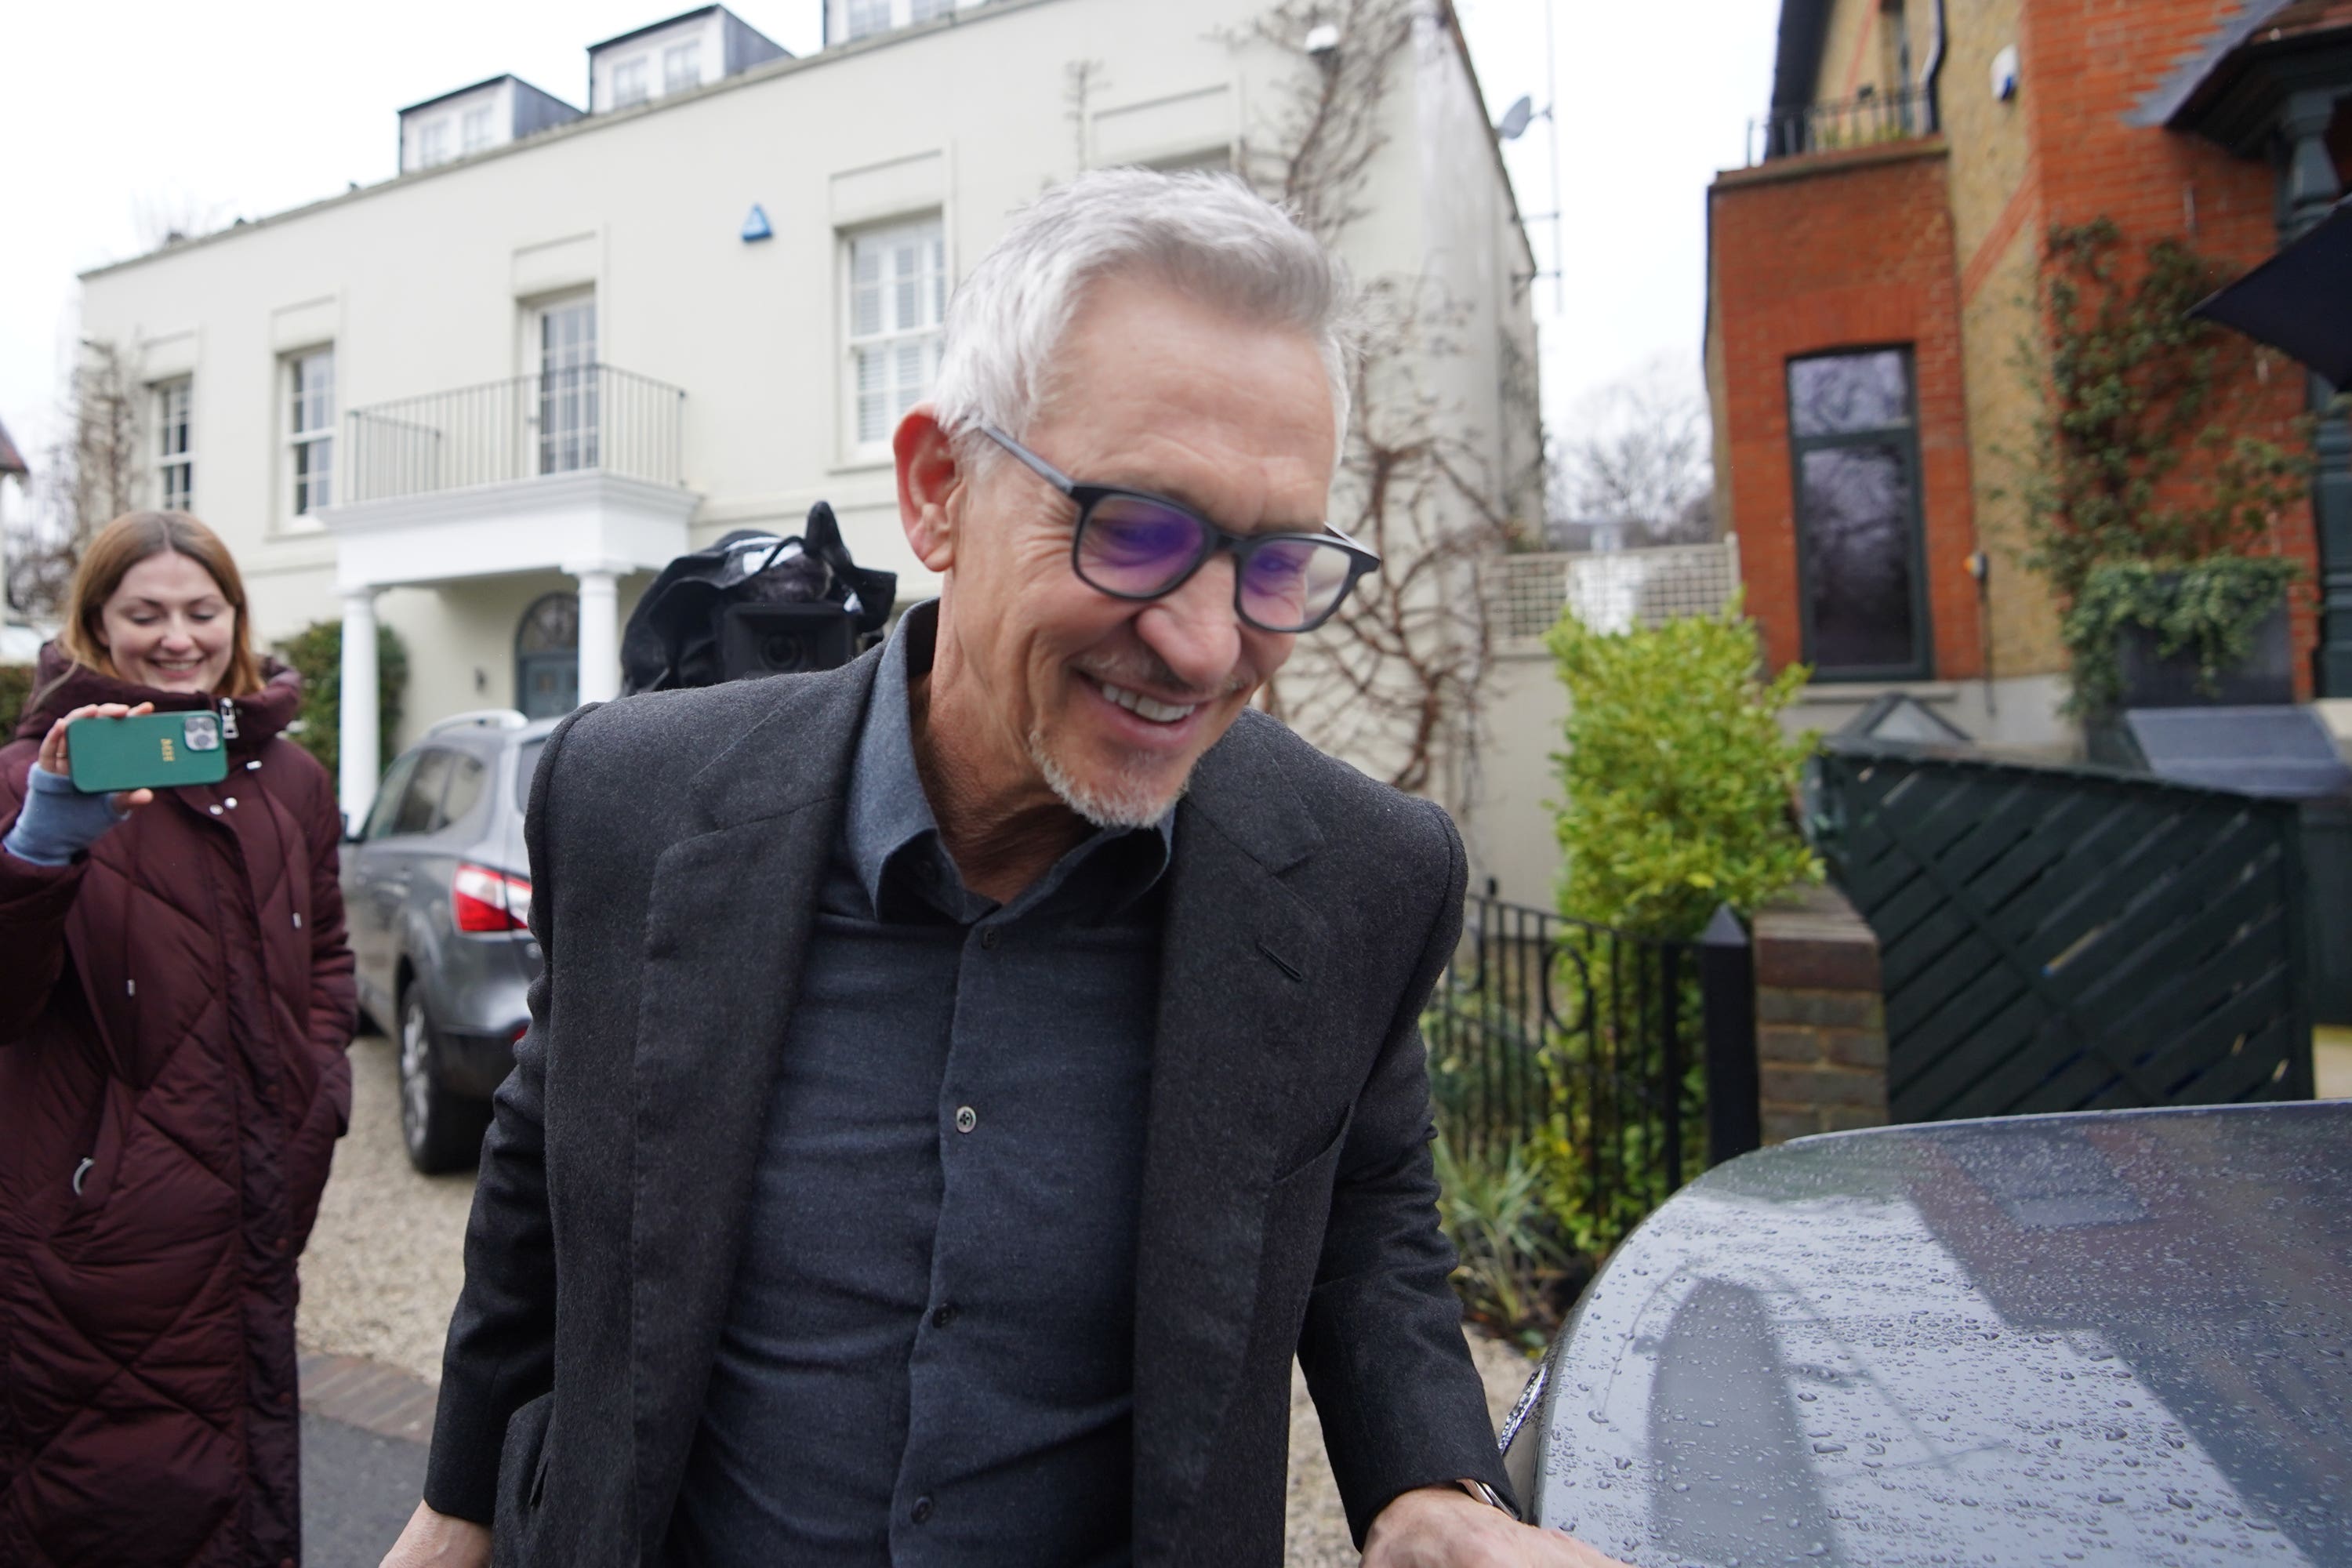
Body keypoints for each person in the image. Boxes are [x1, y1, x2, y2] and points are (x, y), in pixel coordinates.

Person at [384, 170, 1625, 1567]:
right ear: (938, 493)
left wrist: (1430, 1492)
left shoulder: (1359, 877)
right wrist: (461, 1510)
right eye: (1137, 529)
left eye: (1275, 562)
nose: (1210, 648)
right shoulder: (634, 796)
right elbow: (548, 1152)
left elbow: (1360, 1203)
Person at [0, 511, 357, 1567]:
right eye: (144, 613)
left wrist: (318, 1093)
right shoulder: (28, 779)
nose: (177, 638)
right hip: (99, 1250)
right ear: (98, 625)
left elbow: (328, 956)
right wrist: (39, 853)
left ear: (236, 619)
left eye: (202, 611)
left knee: (244, 1503)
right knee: (101, 1517)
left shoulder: (289, 780)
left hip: (254, 1212)